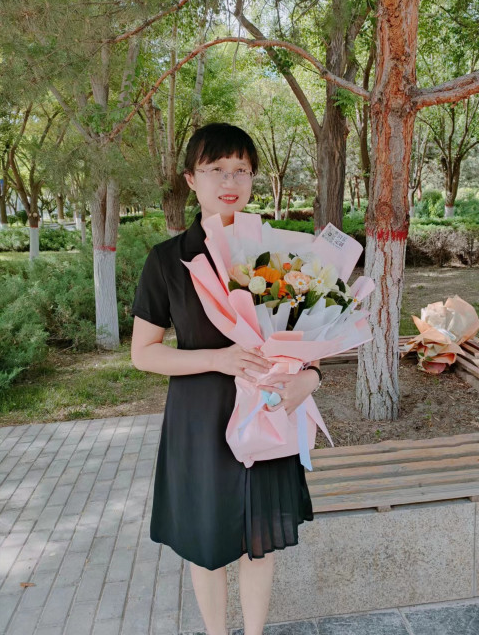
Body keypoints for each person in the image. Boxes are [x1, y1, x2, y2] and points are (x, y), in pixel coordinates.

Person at [130, 123, 321, 635]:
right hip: (201, 420)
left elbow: (308, 340)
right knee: (207, 546)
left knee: (260, 542)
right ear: (191, 179)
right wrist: (217, 359)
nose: (229, 180)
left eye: (241, 169)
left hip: (267, 414)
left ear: (254, 177)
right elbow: (144, 354)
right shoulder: (167, 260)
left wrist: (311, 379)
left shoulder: (278, 254)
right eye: (215, 169)